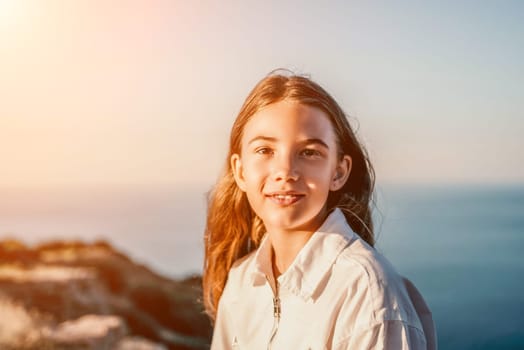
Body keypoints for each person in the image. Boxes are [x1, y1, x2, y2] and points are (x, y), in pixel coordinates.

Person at [203, 70, 436, 349]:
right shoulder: (242, 281)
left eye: (309, 152)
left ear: (338, 172)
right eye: (265, 150)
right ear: (240, 171)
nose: (285, 172)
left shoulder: (368, 296)